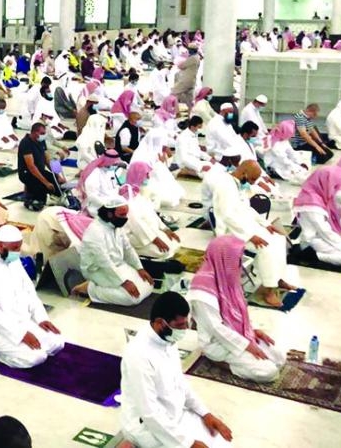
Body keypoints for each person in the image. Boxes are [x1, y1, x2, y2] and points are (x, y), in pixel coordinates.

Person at [120, 292, 233, 448]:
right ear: (160, 323)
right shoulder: (138, 355)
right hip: (148, 429)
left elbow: (180, 383)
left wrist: (205, 413)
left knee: (222, 442)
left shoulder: (167, 340)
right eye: (180, 325)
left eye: (186, 323)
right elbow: (149, 412)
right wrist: (188, 443)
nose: (186, 329)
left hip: (175, 417)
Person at [189, 236, 286, 382]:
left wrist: (253, 330)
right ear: (224, 259)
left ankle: (243, 360)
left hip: (240, 334)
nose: (239, 263)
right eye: (237, 259)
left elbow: (240, 311)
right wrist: (246, 346)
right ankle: (221, 363)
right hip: (219, 343)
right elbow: (215, 328)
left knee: (279, 358)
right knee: (268, 372)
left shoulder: (227, 277)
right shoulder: (201, 289)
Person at [204, 160, 294, 307]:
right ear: (244, 173)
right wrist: (250, 236)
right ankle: (268, 289)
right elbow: (227, 216)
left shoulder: (238, 184)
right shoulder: (224, 185)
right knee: (267, 247)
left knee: (279, 239)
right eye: (252, 179)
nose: (252, 183)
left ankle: (278, 279)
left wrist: (266, 224)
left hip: (246, 225)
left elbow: (248, 209)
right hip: (231, 231)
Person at [0, 224, 64, 368]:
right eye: (14, 248)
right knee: (36, 357)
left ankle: (16, 347)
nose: (18, 252)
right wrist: (20, 334)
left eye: (19, 247)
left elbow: (29, 291)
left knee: (57, 342)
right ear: (0, 246)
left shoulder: (13, 260)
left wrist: (41, 318)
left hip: (21, 321)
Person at [72, 197, 155, 306]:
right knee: (131, 299)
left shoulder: (115, 226)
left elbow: (128, 248)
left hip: (118, 266)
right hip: (98, 270)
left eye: (126, 215)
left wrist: (139, 268)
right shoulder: (95, 231)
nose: (125, 218)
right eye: (122, 215)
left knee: (149, 285)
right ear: (110, 214)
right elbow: (103, 261)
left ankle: (103, 287)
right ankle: (90, 288)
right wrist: (123, 282)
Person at [293, 168, 341, 267]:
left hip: (324, 238)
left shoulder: (320, 196)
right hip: (313, 242)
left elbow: (334, 219)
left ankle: (323, 254)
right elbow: (324, 230)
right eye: (333, 185)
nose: (334, 188)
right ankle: (313, 256)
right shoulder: (311, 203)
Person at [117, 162, 182, 260]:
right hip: (136, 236)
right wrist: (155, 240)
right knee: (165, 252)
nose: (148, 177)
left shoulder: (136, 192)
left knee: (175, 243)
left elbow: (151, 213)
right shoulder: (127, 196)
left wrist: (165, 229)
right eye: (146, 174)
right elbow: (136, 224)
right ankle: (133, 252)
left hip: (149, 231)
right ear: (138, 175)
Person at [17, 123, 62, 207]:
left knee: (55, 180)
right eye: (42, 133)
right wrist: (46, 182)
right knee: (43, 190)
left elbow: (47, 160)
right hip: (27, 173)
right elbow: (31, 166)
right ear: (34, 132)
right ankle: (29, 198)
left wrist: (58, 175)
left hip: (39, 171)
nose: (43, 135)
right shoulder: (26, 143)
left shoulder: (41, 141)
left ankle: (58, 197)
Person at [76, 149, 124, 216]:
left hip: (112, 201)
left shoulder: (110, 171)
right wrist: (109, 204)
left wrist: (120, 189)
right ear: (108, 162)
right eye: (114, 164)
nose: (115, 166)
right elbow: (92, 196)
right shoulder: (94, 173)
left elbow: (113, 186)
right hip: (98, 206)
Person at [263, 120, 310, 184]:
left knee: (301, 170)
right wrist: (294, 166)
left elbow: (291, 152)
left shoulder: (284, 139)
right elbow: (282, 159)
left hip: (283, 163)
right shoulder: (273, 142)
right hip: (274, 166)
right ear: (284, 133)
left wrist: (300, 163)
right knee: (293, 174)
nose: (289, 137)